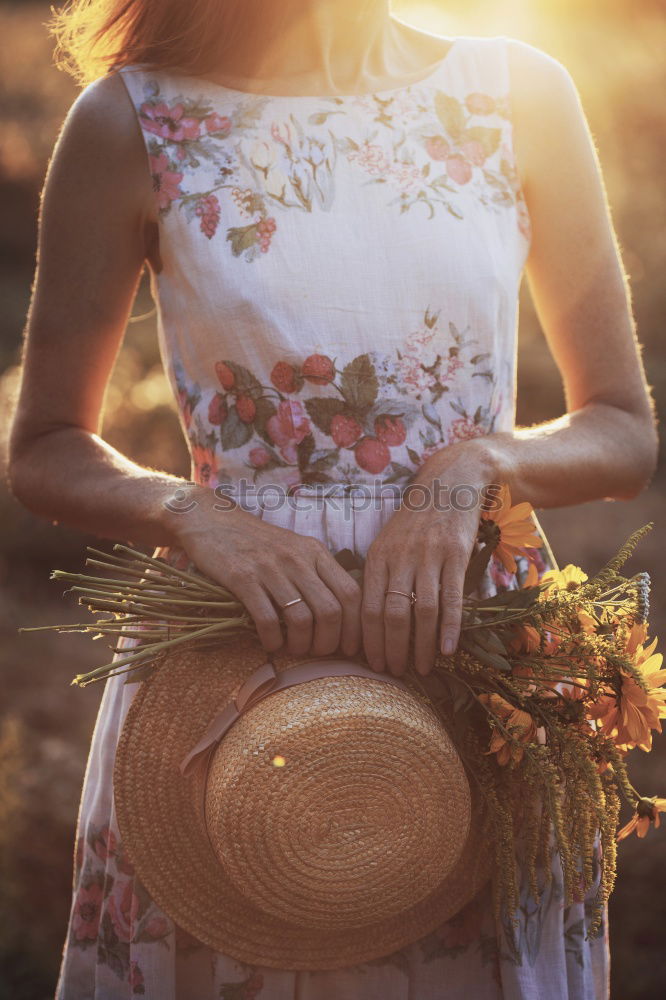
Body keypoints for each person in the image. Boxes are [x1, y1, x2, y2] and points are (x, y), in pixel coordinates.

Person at [7, 1, 657, 997]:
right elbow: (45, 447)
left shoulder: (520, 92)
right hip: (234, 653)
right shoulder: (133, 119)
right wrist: (192, 510)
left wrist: (470, 468)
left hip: (474, 644)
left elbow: (621, 429)